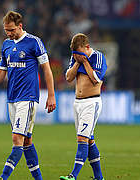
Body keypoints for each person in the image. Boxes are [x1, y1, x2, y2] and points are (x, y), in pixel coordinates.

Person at [0, 11, 56, 180]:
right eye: (6, 30)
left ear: (20, 26)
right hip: (12, 98)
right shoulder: (7, 44)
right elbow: (2, 71)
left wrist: (51, 95)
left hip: (28, 98)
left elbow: (46, 69)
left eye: (12, 30)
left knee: (17, 139)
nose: (9, 33)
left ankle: (3, 177)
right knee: (26, 141)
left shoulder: (34, 42)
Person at [60, 33, 107, 180]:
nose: (76, 56)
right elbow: (68, 78)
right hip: (77, 103)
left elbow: (96, 79)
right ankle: (99, 177)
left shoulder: (98, 57)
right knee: (89, 139)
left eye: (78, 53)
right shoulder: (75, 58)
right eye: (74, 54)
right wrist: (77, 61)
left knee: (82, 138)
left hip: (91, 102)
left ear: (87, 47)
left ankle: (73, 175)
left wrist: (85, 61)